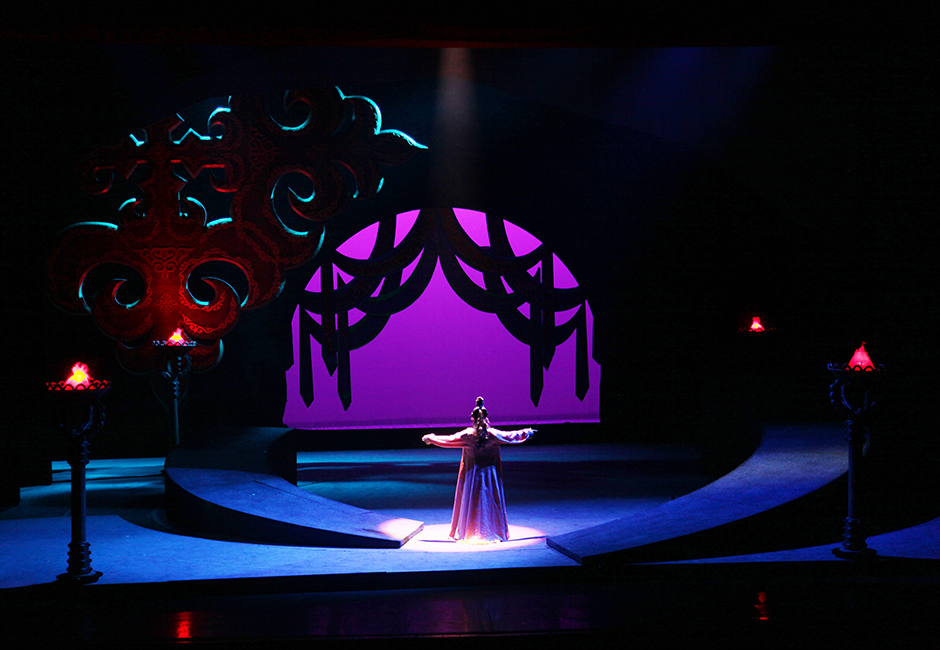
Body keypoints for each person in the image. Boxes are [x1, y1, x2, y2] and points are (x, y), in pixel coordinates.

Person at [422, 397, 535, 543]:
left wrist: (431, 438)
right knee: (490, 501)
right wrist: (527, 432)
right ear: (486, 417)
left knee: (473, 499)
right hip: (490, 476)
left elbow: (449, 439)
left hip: (472, 475)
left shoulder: (468, 435)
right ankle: (492, 531)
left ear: (472, 418)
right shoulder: (492, 434)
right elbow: (511, 436)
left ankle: (470, 532)